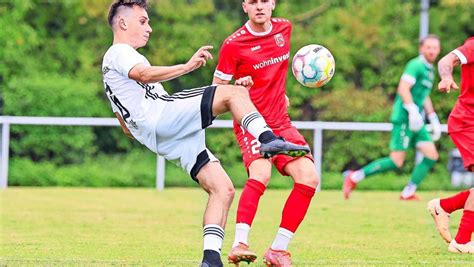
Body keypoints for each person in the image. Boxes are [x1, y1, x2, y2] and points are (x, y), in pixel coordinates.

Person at [103, 1, 309, 266]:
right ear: (123, 23)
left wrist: (143, 130)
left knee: (222, 189)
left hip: (160, 137)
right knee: (235, 92)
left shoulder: (111, 66)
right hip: (162, 117)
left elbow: (123, 123)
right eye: (143, 21)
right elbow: (143, 74)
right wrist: (188, 66)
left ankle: (211, 260)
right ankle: (268, 140)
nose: (149, 28)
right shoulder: (119, 52)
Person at [213, 1, 318, 266]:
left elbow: (275, 74)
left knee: (309, 177)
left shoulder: (285, 29)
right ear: (244, 6)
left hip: (281, 122)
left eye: (264, 0)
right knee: (261, 173)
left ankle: (278, 250)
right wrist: (239, 86)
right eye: (252, 1)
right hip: (250, 120)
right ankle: (239, 244)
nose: (259, 6)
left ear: (273, 3)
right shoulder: (233, 44)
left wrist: (282, 94)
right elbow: (216, 90)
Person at [343, 35, 442, 200]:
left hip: (416, 120)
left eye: (435, 48)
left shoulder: (430, 70)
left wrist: (433, 117)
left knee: (431, 155)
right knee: (397, 161)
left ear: (439, 50)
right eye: (428, 47)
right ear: (421, 48)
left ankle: (408, 192)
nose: (432, 51)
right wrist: (412, 111)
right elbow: (403, 89)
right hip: (405, 118)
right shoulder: (415, 65)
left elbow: (424, 95)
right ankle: (354, 177)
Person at [427, 36, 474, 254]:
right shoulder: (473, 46)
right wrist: (446, 77)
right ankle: (461, 241)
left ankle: (444, 206)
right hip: (466, 122)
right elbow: (446, 61)